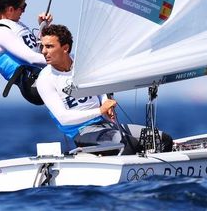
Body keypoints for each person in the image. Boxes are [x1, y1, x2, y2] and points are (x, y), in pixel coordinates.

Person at [36, 24, 173, 154]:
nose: (43, 51)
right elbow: (63, 118)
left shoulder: (83, 64)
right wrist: (100, 110)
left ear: (65, 48)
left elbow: (100, 89)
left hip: (105, 125)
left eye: (49, 46)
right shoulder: (45, 79)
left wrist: (106, 103)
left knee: (161, 140)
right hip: (83, 132)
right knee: (127, 144)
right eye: (43, 46)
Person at [0, 0, 53, 104]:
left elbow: (37, 50)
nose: (24, 11)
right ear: (10, 9)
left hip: (44, 75)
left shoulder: (15, 25)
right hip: (34, 85)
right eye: (22, 7)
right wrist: (66, 62)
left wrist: (43, 28)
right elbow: (32, 58)